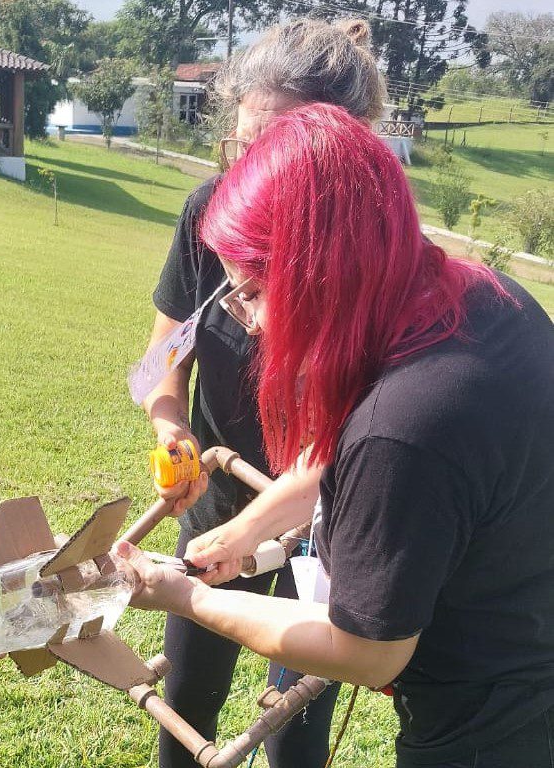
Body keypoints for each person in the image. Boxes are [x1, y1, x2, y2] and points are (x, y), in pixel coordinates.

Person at [119, 102, 554, 768]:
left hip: (489, 721)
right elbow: (338, 456)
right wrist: (243, 532)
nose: (249, 321)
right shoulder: (480, 294)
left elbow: (366, 649)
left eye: (254, 291)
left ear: (319, 273)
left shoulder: (403, 425)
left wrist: (188, 597)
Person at [140, 18, 385, 768]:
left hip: (319, 527)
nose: (250, 171)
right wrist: (168, 426)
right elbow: (160, 356)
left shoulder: (373, 246)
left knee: (295, 728)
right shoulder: (208, 213)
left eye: (274, 151)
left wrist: (280, 517)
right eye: (242, 146)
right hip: (217, 513)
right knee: (184, 703)